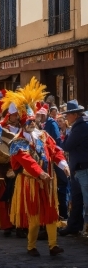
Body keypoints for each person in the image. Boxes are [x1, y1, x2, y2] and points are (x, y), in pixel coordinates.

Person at [7, 77, 69, 257]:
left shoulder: (43, 135)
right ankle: (31, 246)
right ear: (22, 123)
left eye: (33, 121)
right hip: (31, 182)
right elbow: (27, 160)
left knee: (51, 213)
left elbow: (55, 150)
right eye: (28, 122)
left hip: (47, 180)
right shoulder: (17, 142)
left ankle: (53, 245)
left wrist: (62, 163)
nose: (31, 124)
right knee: (34, 217)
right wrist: (40, 173)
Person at [59, 100, 88, 236]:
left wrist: (64, 133)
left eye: (68, 115)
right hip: (78, 168)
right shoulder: (79, 126)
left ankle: (82, 227)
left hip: (83, 169)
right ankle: (74, 226)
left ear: (75, 115)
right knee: (76, 199)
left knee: (84, 201)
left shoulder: (81, 127)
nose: (66, 118)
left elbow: (67, 146)